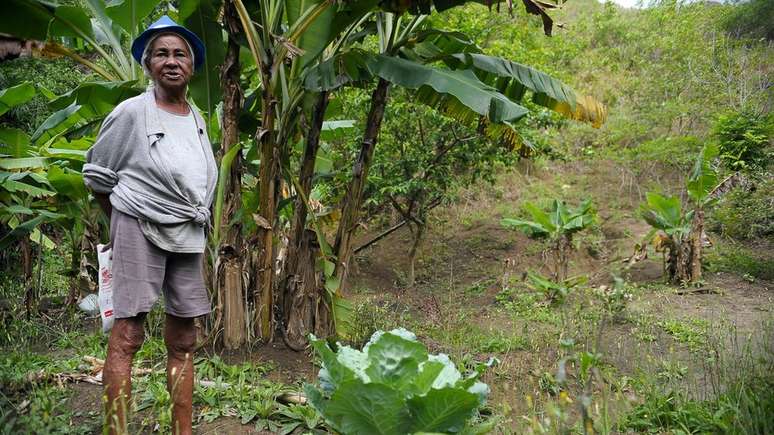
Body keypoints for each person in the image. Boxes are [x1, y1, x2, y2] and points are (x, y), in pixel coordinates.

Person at [82, 15, 216, 435]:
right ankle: (116, 430)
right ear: (148, 64)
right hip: (139, 226)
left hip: (188, 234)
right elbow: (97, 175)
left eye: (180, 54)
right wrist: (123, 222)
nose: (171, 61)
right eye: (161, 54)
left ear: (192, 66)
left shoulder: (195, 116)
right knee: (128, 333)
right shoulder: (131, 113)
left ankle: (183, 431)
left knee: (184, 339)